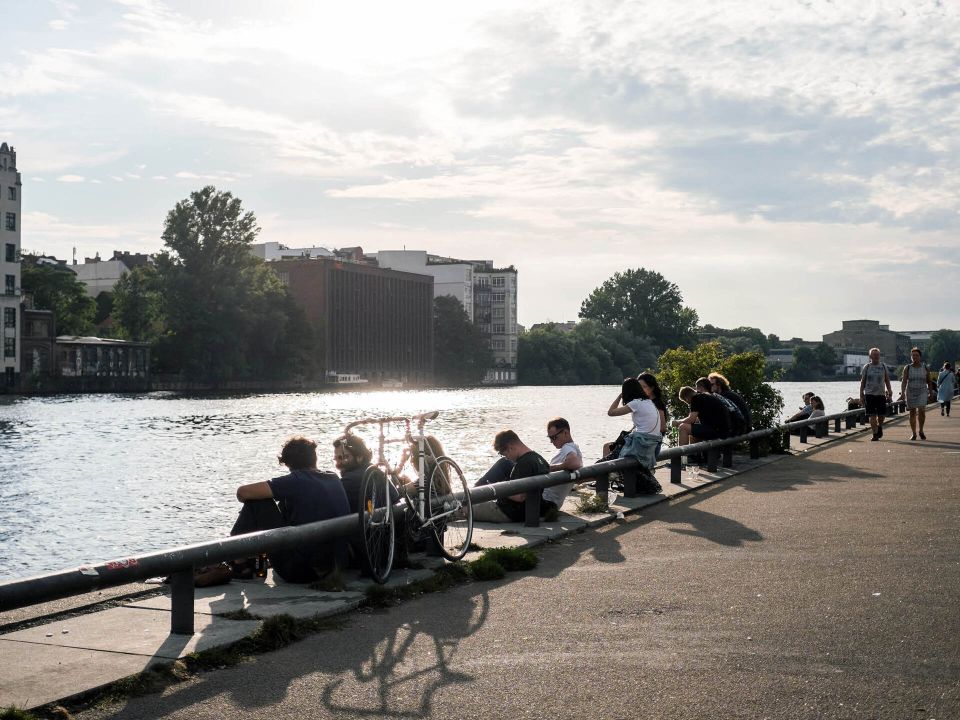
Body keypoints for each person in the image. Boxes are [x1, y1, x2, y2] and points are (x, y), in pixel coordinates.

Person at [232, 436, 350, 582]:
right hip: (334, 566)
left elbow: (242, 492)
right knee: (279, 504)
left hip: (301, 571)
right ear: (314, 458)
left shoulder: (297, 480)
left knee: (258, 503)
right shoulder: (332, 477)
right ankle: (243, 558)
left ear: (289, 464)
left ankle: (238, 561)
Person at [472, 430, 552, 523]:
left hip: (510, 512)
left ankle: (466, 498)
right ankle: (473, 493)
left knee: (464, 509)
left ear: (510, 447)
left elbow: (519, 496)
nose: (506, 457)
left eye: (504, 454)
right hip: (530, 509)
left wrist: (497, 487)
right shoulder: (539, 458)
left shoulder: (524, 464)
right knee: (504, 464)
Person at [543, 418, 582, 510]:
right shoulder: (574, 448)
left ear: (565, 433)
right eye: (549, 438)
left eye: (554, 437)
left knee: (506, 463)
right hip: (553, 503)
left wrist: (549, 468)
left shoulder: (567, 447)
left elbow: (574, 462)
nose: (551, 441)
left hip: (545, 500)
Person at [859, 347, 893, 442]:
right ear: (870, 356)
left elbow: (887, 379)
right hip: (869, 394)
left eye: (877, 355)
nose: (876, 356)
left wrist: (889, 391)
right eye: (874, 355)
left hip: (881, 394)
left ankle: (880, 426)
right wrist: (861, 395)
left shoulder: (883, 366)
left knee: (881, 415)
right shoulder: (867, 367)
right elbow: (863, 382)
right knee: (872, 415)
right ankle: (875, 434)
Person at [900, 347, 929, 440]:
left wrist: (931, 393)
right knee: (912, 412)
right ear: (911, 357)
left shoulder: (925, 367)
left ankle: (921, 430)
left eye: (916, 355)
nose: (914, 357)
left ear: (920, 357)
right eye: (913, 355)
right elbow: (904, 381)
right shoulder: (907, 368)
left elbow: (928, 380)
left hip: (922, 391)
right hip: (911, 391)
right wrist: (903, 393)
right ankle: (914, 433)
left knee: (922, 411)